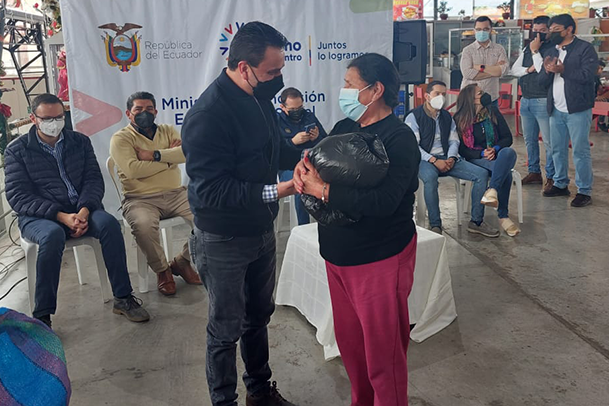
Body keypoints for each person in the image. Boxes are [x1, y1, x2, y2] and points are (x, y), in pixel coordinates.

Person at [181, 22, 300, 406]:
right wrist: (278, 190)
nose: (278, 79)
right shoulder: (208, 115)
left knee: (258, 316)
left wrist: (309, 159)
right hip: (224, 238)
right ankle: (224, 400)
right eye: (271, 72)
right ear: (244, 67)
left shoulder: (259, 99)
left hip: (261, 228)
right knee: (225, 328)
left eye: (281, 70)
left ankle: (259, 390)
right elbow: (212, 191)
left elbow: (274, 150)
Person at [294, 53, 420, 406]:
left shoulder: (399, 138)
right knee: (352, 348)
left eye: (350, 84)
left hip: (378, 257)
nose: (344, 90)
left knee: (383, 356)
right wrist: (303, 169)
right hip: (338, 255)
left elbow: (384, 202)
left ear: (375, 90)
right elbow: (316, 161)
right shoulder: (343, 128)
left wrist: (323, 190)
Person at [4, 93, 150, 329]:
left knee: (110, 225)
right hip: (40, 216)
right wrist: (61, 216)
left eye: (59, 117)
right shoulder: (17, 150)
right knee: (52, 236)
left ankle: (123, 298)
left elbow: (93, 180)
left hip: (81, 209)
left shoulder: (79, 142)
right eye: (47, 119)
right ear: (33, 118)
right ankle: (42, 316)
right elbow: (18, 196)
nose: (54, 123)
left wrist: (83, 211)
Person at [110, 91, 202, 296]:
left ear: (156, 111)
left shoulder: (167, 130)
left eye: (149, 109)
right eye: (138, 109)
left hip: (176, 194)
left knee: (211, 216)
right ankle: (163, 271)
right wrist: (169, 160)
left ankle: (182, 261)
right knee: (143, 226)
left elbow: (186, 154)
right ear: (128, 113)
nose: (145, 113)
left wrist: (153, 155)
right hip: (139, 199)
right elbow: (133, 170)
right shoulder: (121, 138)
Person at [405, 80, 499, 237]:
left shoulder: (447, 117)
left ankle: (476, 222)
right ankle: (435, 224)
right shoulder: (414, 117)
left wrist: (451, 158)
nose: (441, 97)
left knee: (481, 174)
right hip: (424, 160)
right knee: (430, 178)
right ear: (427, 96)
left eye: (443, 94)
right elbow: (413, 146)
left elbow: (454, 141)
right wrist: (433, 160)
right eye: (437, 93)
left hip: (447, 158)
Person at [538, 14, 598, 207]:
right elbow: (541, 82)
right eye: (551, 29)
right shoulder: (551, 50)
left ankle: (584, 190)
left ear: (569, 29)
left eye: (556, 29)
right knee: (557, 149)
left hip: (577, 109)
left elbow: (588, 75)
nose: (552, 33)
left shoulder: (584, 49)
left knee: (580, 150)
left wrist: (563, 70)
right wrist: (547, 71)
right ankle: (560, 183)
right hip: (556, 109)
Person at [454, 84, 521, 237]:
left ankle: (492, 190)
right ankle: (502, 216)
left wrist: (495, 149)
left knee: (508, 152)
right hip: (475, 158)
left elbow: (507, 138)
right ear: (471, 99)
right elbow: (462, 149)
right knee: (506, 173)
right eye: (480, 93)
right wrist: (482, 153)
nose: (484, 95)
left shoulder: (492, 112)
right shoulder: (460, 119)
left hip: (496, 156)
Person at [510, 15, 555, 191]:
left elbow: (544, 71)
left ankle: (551, 176)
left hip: (543, 99)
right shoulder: (528, 48)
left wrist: (536, 52)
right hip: (526, 99)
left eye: (542, 30)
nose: (538, 34)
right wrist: (528, 70)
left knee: (549, 141)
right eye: (535, 31)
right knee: (529, 139)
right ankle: (534, 171)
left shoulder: (553, 49)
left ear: (550, 30)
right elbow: (514, 70)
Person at [277, 87, 327, 225]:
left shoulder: (308, 116)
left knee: (331, 180)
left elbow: (326, 141)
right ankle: (302, 226)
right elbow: (273, 149)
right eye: (293, 109)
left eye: (300, 108)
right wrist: (292, 142)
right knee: (302, 184)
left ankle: (327, 222)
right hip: (287, 168)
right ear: (282, 107)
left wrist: (317, 137)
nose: (297, 112)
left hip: (313, 165)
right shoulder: (276, 120)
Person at [460, 16, 509, 106]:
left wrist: (480, 68)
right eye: (478, 29)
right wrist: (494, 70)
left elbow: (504, 70)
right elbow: (468, 74)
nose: (482, 32)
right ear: (474, 30)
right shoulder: (468, 50)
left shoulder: (499, 49)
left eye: (485, 29)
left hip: (491, 97)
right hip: (471, 99)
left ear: (491, 30)